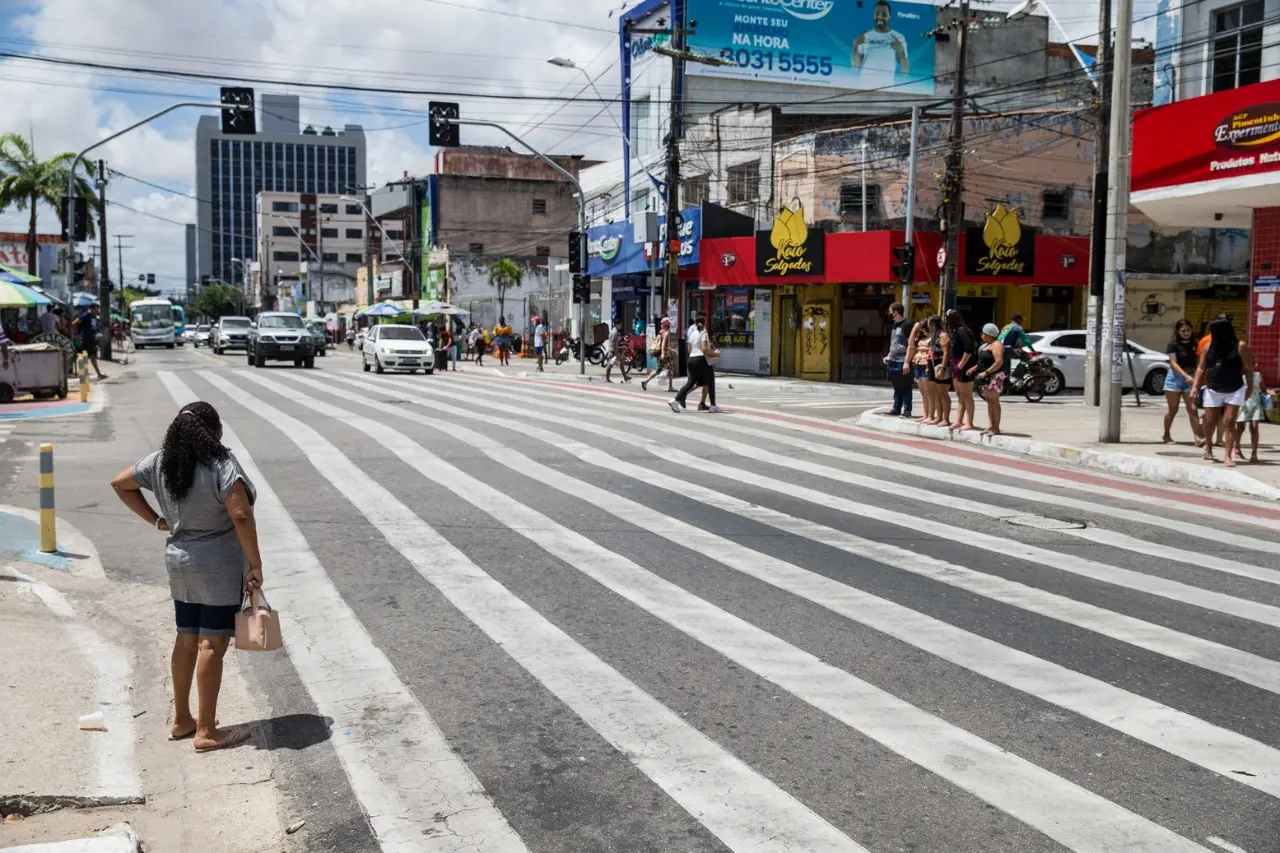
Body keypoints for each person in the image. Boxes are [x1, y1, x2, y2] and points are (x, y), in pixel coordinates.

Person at [110, 403, 261, 753]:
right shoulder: (221, 464)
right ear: (213, 431)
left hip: (179, 560)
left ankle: (182, 720)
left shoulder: (162, 461)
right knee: (213, 643)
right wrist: (255, 564)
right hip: (218, 565)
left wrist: (157, 520)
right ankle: (207, 731)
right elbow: (240, 514)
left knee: (186, 638)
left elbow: (120, 483)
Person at [1193, 317, 1252, 467]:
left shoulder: (1240, 346)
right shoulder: (1208, 347)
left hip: (1234, 388)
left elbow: (1248, 368)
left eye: (1213, 331)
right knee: (1209, 421)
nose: (1211, 334)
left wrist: (1250, 387)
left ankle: (1227, 456)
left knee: (1229, 422)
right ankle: (1209, 447)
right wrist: (1195, 386)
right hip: (1213, 388)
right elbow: (1201, 367)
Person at [1162, 319, 1204, 446]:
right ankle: (1166, 434)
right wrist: (1185, 376)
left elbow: (1199, 361)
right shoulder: (1173, 345)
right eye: (1183, 331)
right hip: (1175, 378)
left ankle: (1197, 436)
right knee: (1172, 409)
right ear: (1178, 331)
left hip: (1191, 377)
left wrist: (1196, 378)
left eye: (1188, 330)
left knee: (1192, 408)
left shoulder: (1195, 344)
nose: (1186, 333)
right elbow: (1173, 363)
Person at [851, 0, 910, 89]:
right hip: (863, 88)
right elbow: (854, 67)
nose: (880, 17)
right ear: (873, 15)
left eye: (884, 14)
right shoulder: (865, 36)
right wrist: (855, 46)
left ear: (889, 16)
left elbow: (905, 72)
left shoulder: (898, 38)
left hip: (887, 90)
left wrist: (901, 51)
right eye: (877, 13)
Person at [670, 315, 721, 413]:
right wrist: (715, 353)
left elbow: (689, 349)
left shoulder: (692, 333)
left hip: (692, 359)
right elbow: (705, 349)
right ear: (704, 322)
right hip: (702, 360)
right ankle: (713, 405)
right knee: (710, 381)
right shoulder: (704, 333)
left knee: (690, 383)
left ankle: (675, 400)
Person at [945, 310, 977, 430]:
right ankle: (958, 420)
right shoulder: (955, 331)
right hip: (955, 364)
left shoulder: (962, 331)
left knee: (967, 395)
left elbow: (969, 348)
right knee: (960, 395)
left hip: (962, 365)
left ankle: (969, 422)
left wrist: (962, 364)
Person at [975, 323, 1006, 437]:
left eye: (983, 333)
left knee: (994, 401)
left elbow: (999, 362)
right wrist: (975, 369)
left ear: (989, 334)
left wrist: (986, 372)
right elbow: (984, 361)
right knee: (989, 401)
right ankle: (990, 425)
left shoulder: (997, 345)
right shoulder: (987, 345)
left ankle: (996, 427)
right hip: (986, 377)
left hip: (994, 376)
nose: (981, 335)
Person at [882, 303, 913, 417]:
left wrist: (907, 362)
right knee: (897, 385)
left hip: (902, 359)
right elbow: (895, 342)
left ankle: (907, 410)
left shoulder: (908, 324)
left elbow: (911, 344)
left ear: (896, 311)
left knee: (905, 385)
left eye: (891, 311)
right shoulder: (895, 325)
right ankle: (896, 408)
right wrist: (889, 355)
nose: (890, 314)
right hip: (893, 359)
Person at [906, 318, 935, 424]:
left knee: (929, 392)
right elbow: (910, 343)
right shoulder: (920, 338)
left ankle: (930, 415)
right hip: (918, 364)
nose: (922, 331)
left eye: (923, 328)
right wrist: (914, 328)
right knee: (923, 392)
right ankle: (926, 414)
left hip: (926, 364)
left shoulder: (933, 338)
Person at [1237, 363, 1267, 463]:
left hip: (1255, 404)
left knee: (1254, 427)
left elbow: (1263, 388)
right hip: (1242, 404)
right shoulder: (1239, 376)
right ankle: (1236, 447)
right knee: (1240, 428)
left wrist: (1267, 392)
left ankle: (1254, 453)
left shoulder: (1258, 375)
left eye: (1253, 363)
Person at [72, 302, 108, 380]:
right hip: (86, 339)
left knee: (92, 357)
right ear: (92, 309)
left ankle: (97, 374)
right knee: (85, 356)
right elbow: (75, 323)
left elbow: (93, 327)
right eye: (96, 309)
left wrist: (98, 335)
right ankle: (84, 376)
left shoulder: (94, 317)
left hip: (92, 340)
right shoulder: (85, 315)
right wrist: (77, 335)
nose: (97, 310)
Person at [641, 317, 677, 392]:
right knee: (671, 369)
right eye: (668, 323)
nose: (669, 325)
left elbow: (665, 345)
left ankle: (645, 382)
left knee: (658, 370)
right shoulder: (666, 333)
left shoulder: (661, 332)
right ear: (667, 324)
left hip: (660, 353)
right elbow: (663, 344)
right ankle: (670, 387)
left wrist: (672, 350)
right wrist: (663, 354)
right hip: (665, 354)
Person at [604, 319, 631, 383]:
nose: (621, 325)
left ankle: (625, 377)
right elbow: (613, 343)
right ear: (616, 324)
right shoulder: (614, 332)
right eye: (620, 324)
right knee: (610, 364)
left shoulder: (615, 331)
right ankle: (607, 378)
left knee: (621, 362)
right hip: (613, 351)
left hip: (614, 350)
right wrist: (616, 352)